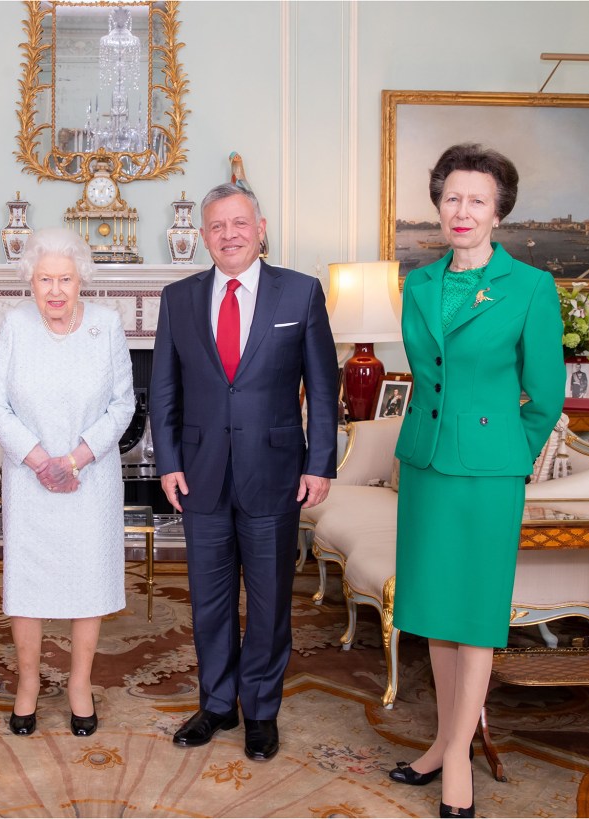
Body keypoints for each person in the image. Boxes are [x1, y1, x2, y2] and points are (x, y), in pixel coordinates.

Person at [389, 144, 564, 818]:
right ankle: (441, 741)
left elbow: (544, 396)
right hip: (427, 464)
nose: (462, 211)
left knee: (478, 616)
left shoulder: (530, 288)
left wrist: (505, 454)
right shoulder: (420, 282)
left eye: (477, 200)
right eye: (452, 198)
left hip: (489, 474)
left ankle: (458, 754)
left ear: (499, 212)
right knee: (435, 610)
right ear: (438, 205)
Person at [149, 183, 338, 762]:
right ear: (202, 236)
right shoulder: (178, 298)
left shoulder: (300, 294)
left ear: (260, 228)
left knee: (269, 599)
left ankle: (260, 711)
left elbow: (324, 388)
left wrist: (320, 463)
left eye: (239, 224)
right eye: (216, 227)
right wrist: (169, 462)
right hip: (200, 473)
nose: (228, 235)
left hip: (276, 470)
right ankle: (216, 705)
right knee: (207, 598)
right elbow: (163, 388)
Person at [0, 228, 134, 737]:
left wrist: (74, 459)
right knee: (28, 585)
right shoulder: (15, 326)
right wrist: (38, 460)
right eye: (44, 278)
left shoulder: (108, 326)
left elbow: (123, 405)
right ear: (30, 279)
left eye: (64, 279)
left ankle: (78, 684)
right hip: (30, 480)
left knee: (86, 581)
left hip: (89, 479)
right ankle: (28, 685)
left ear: (80, 280)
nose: (54, 290)